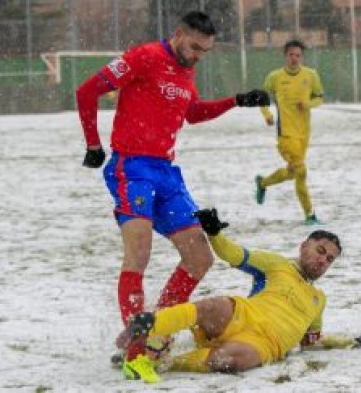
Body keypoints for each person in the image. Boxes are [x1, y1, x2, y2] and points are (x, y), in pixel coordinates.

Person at [75, 10, 270, 375]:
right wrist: (92, 143)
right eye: (194, 47)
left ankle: (155, 332)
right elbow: (87, 90)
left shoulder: (186, 69)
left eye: (204, 52)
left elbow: (192, 113)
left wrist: (236, 100)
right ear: (178, 34)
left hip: (167, 174)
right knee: (139, 253)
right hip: (132, 168)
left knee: (200, 258)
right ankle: (136, 355)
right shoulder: (144, 57)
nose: (197, 56)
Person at [120, 208, 361, 383]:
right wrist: (214, 233)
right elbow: (233, 254)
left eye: (330, 259)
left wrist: (356, 341)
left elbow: (312, 343)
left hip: (264, 344)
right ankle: (147, 326)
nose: (323, 260)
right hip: (243, 314)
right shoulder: (276, 264)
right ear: (304, 246)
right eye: (320, 251)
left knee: (226, 361)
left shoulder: (318, 300)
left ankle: (164, 361)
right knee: (213, 305)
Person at [255, 39, 325, 224]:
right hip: (285, 134)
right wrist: (267, 114)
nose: (294, 58)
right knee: (301, 172)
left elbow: (319, 98)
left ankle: (263, 183)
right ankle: (310, 215)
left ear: (302, 57)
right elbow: (261, 97)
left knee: (294, 172)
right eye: (291, 55)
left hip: (304, 133)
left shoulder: (311, 75)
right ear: (285, 56)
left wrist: (308, 104)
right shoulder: (275, 77)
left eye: (298, 55)